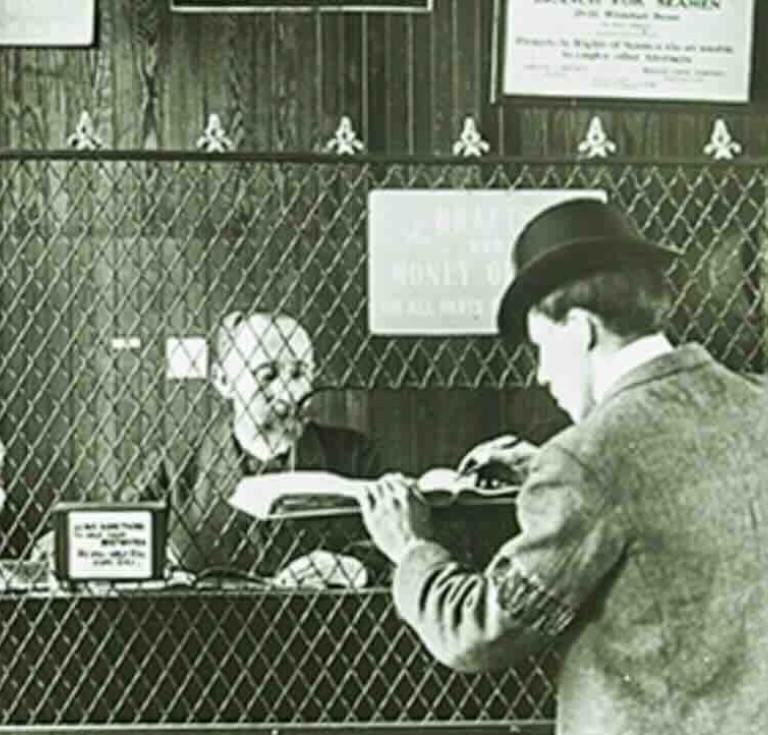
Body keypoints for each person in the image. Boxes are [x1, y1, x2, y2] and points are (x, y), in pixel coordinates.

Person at [359, 198, 768, 735]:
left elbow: (477, 632)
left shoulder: (586, 459)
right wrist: (551, 468)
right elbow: (677, 477)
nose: (541, 375)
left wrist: (411, 549)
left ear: (578, 329)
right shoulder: (755, 402)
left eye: (540, 347)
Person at [138, 310, 384, 585]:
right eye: (268, 375)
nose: (288, 393)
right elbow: (120, 551)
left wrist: (351, 569)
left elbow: (394, 551)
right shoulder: (172, 467)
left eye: (299, 374)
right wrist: (165, 578)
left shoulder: (354, 456)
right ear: (223, 380)